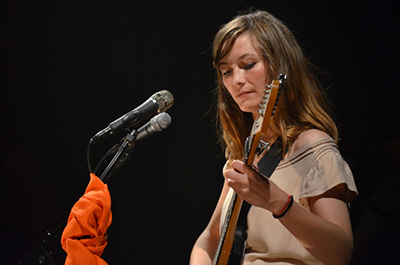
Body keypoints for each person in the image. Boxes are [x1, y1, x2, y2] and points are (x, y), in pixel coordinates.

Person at [190, 10, 358, 265]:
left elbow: (340, 252)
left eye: (248, 65)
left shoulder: (312, 146)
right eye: (226, 71)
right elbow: (210, 238)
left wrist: (277, 202)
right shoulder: (241, 156)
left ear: (280, 66)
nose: (237, 80)